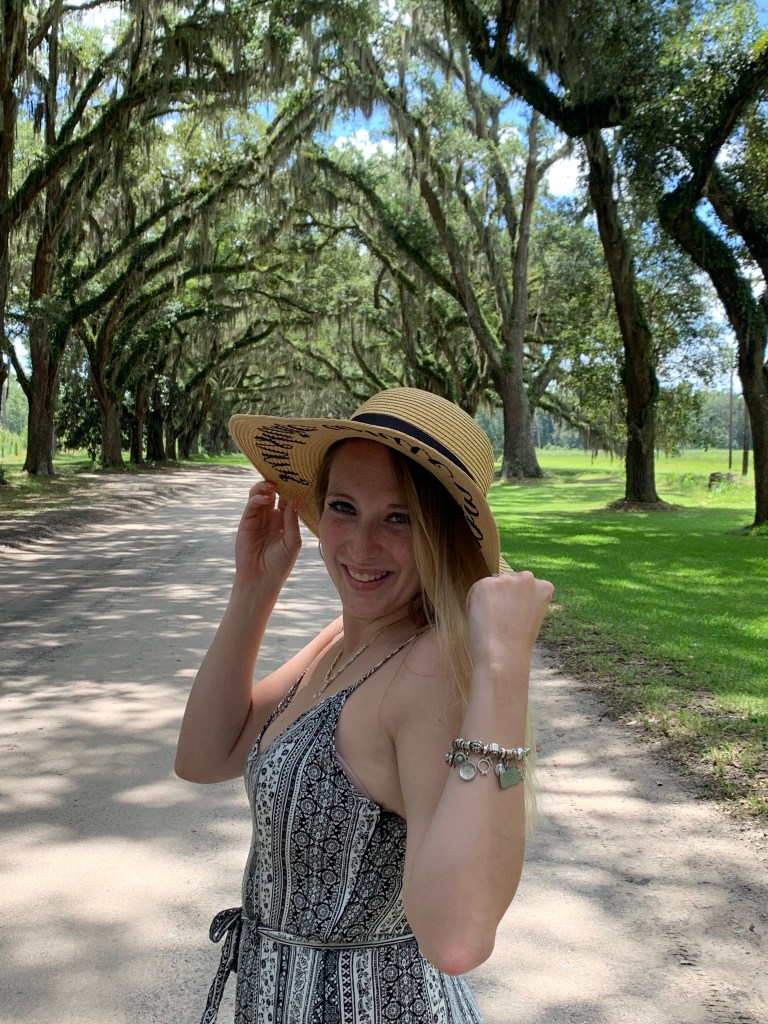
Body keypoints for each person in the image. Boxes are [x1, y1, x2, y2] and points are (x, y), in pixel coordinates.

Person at [175, 387, 553, 1024]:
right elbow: (205, 755)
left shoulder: (428, 668)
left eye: (398, 518)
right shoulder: (345, 638)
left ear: (442, 533)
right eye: (344, 508)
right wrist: (254, 587)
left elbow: (457, 940)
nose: (361, 545)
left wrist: (503, 667)